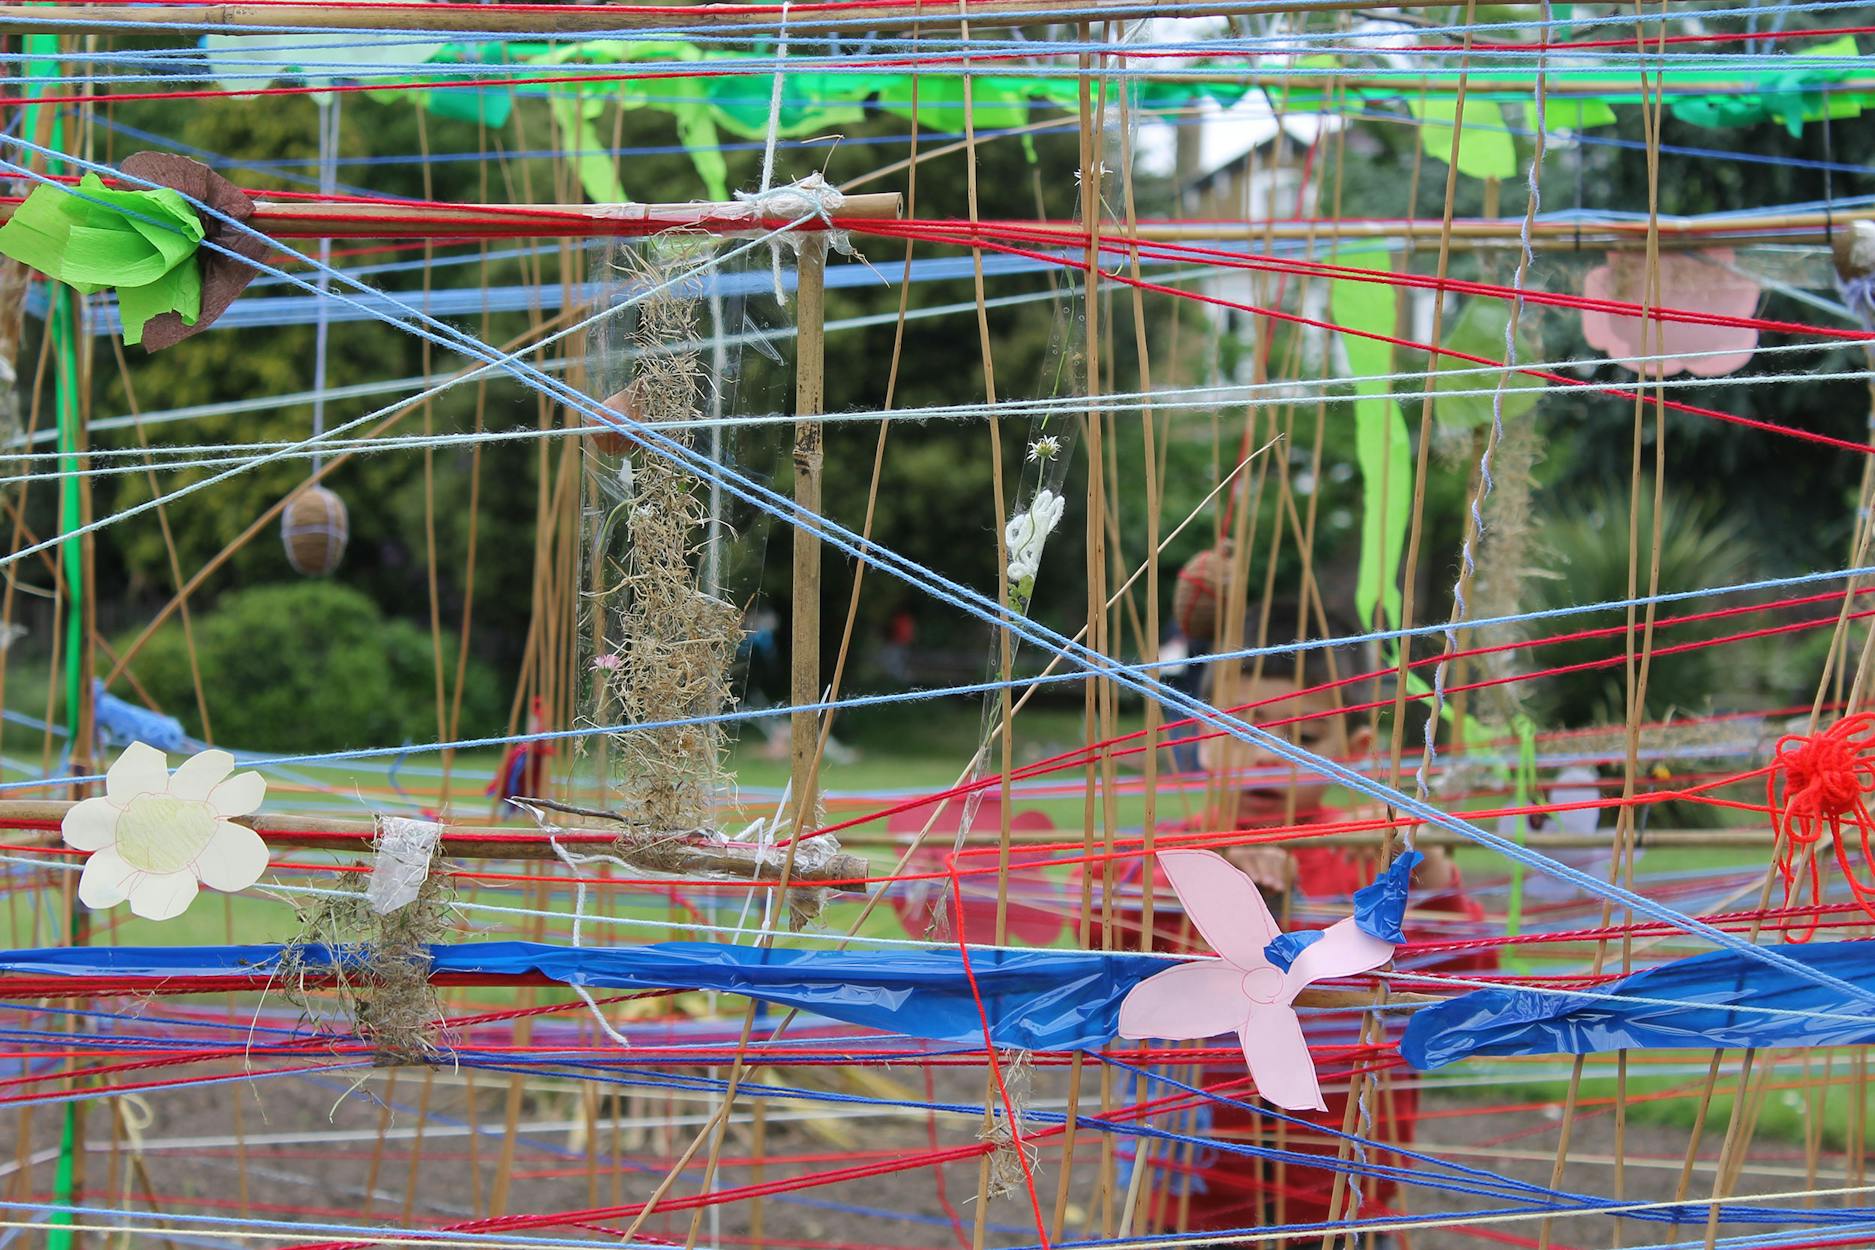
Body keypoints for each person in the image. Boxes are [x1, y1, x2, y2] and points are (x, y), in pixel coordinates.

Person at [1123, 627, 1494, 1244]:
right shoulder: (1166, 859)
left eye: (1304, 737)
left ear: (1354, 749)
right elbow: (1106, 945)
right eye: (1245, 730)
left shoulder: (1370, 861)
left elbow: (1469, 970)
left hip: (1344, 1175)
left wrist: (1433, 882)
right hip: (1193, 1171)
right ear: (1201, 738)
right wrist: (1223, 891)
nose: (1268, 753)